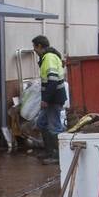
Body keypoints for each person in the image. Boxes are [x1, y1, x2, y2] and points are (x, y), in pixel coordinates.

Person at [31, 35, 66, 164]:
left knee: (54, 127)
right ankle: (49, 152)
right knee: (42, 123)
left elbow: (52, 80)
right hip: (53, 97)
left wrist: (45, 99)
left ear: (39, 46)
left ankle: (56, 156)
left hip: (54, 98)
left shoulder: (49, 58)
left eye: (34, 47)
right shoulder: (48, 57)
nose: (34, 50)